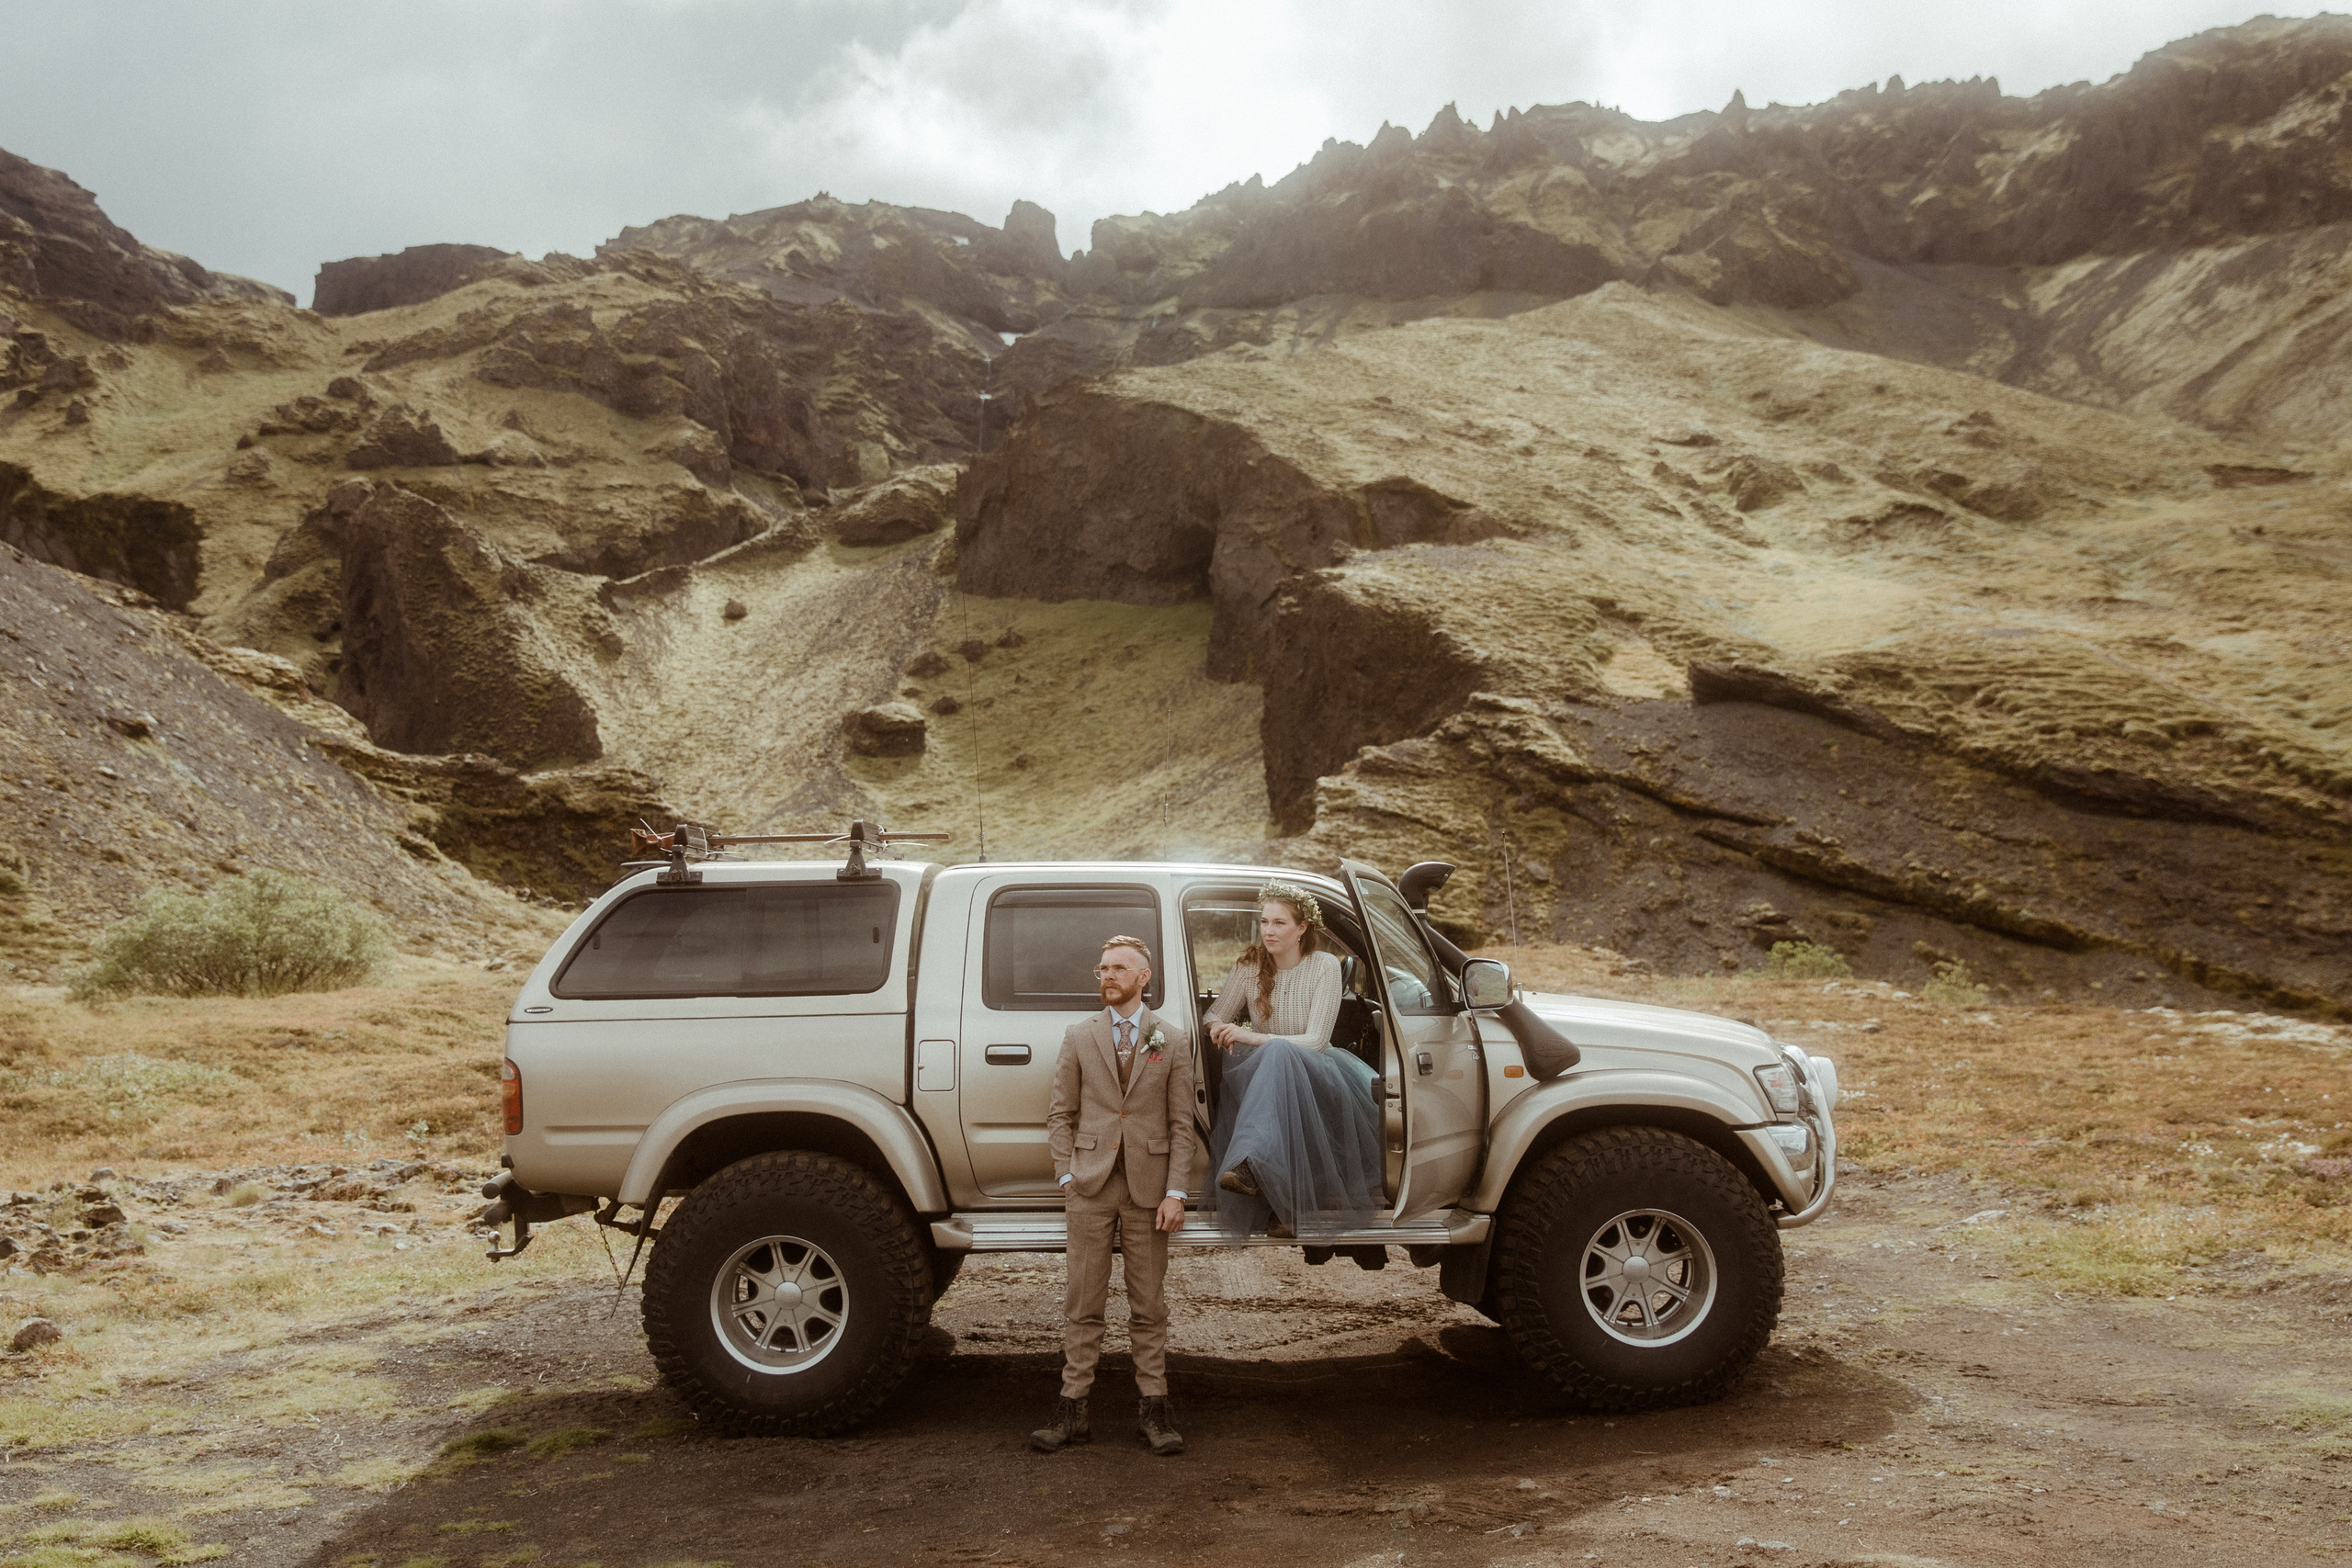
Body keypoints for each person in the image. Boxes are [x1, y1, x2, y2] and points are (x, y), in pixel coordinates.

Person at [1033, 934, 1196, 1457]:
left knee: (1149, 1305)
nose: (1108, 976)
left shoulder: (1169, 1038)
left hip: (1150, 1191)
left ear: (1143, 978)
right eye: (1102, 968)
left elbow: (1181, 1123)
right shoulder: (1080, 1035)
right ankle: (1072, 1408)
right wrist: (1066, 1175)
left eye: (1119, 969)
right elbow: (1060, 1113)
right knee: (1083, 1301)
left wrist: (1175, 1192)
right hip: (1090, 1185)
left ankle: (1155, 1410)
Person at [1204, 883, 1384, 1239]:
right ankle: (1268, 1187)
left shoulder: (1325, 966)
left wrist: (1255, 1037)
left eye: (1279, 923)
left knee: (1277, 1051)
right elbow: (1212, 1014)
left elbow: (1316, 1041)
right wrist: (1221, 1028)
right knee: (1271, 1056)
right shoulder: (1250, 966)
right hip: (1264, 1074)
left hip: (1319, 1072)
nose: (1268, 931)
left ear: (1302, 928)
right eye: (1264, 922)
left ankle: (1253, 1168)